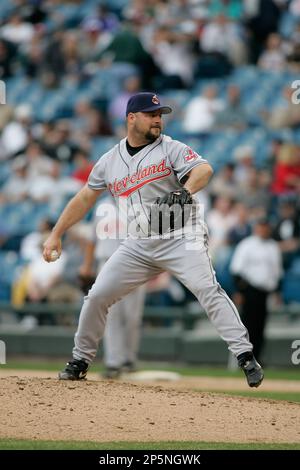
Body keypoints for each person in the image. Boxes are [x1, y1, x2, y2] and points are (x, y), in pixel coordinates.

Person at [43, 92, 264, 388]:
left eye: (160, 114)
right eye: (151, 114)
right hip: (139, 244)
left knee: (206, 288)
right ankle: (80, 360)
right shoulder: (110, 161)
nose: (158, 119)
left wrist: (184, 192)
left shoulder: (170, 148)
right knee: (97, 296)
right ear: (131, 118)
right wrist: (56, 233)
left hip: (180, 236)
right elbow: (84, 198)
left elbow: (204, 170)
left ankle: (245, 355)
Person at [79, 194, 145, 379]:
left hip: (135, 264)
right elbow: (93, 240)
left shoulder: (139, 202)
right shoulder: (102, 207)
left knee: (132, 316)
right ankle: (114, 362)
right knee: (111, 315)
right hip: (106, 263)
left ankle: (129, 359)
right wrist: (87, 265)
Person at [230, 218, 282, 362]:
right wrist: (239, 292)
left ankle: (257, 359)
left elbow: (277, 272)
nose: (264, 229)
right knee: (247, 327)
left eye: (266, 227)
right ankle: (244, 358)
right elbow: (236, 271)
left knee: (261, 327)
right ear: (256, 228)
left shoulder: (273, 246)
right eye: (261, 226)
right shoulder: (247, 245)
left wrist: (277, 291)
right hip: (249, 290)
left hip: (265, 292)